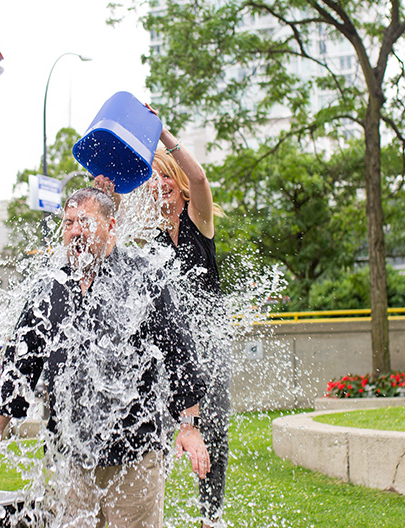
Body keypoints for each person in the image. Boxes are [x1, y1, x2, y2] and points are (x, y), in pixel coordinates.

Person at [0, 188, 210, 528]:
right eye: (68, 223)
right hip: (69, 455)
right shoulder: (50, 286)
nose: (74, 231)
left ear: (111, 225)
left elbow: (179, 352)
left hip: (134, 453)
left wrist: (189, 427)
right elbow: (21, 363)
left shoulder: (142, 277)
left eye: (85, 222)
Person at [95, 116, 230, 528]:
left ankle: (211, 518)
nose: (160, 183)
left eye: (166, 176)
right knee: (157, 423)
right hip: (173, 350)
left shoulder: (198, 223)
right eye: (154, 179)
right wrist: (108, 197)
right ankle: (151, 508)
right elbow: (115, 247)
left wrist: (163, 135)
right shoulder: (152, 243)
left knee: (213, 429)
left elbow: (201, 178)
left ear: (177, 180)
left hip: (208, 346)